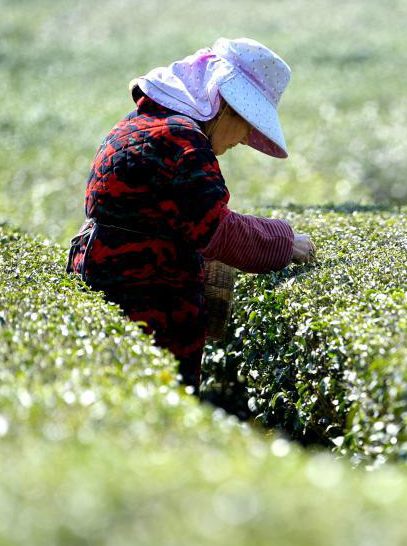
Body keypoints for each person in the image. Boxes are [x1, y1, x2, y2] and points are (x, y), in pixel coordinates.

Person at [66, 37, 316, 393]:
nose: (246, 138)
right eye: (247, 123)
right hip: (146, 305)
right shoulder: (184, 142)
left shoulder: (136, 125)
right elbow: (216, 230)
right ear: (225, 106)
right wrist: (285, 241)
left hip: (104, 281)